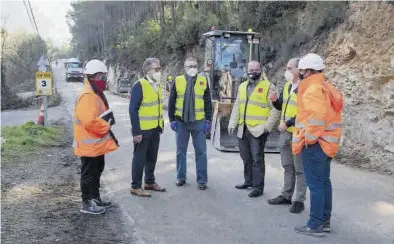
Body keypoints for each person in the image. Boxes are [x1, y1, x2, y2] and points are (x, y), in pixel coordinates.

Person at [292, 53, 343, 237]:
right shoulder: (326, 87)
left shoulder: (312, 88)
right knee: (323, 183)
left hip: (316, 145)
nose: (301, 74)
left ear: (309, 71)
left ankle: (315, 225)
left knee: (315, 185)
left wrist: (309, 139)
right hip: (327, 145)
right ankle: (324, 221)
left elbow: (317, 117)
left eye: (302, 71)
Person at [228, 61, 280, 198]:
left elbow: (275, 109)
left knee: (257, 158)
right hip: (243, 127)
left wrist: (267, 127)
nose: (254, 71)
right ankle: (248, 181)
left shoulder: (269, 87)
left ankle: (258, 187)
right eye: (251, 69)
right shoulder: (242, 86)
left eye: (257, 69)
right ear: (247, 70)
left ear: (261, 70)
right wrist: (232, 124)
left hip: (258, 130)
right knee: (246, 157)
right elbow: (237, 107)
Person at [73, 59, 119, 214]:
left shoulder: (94, 92)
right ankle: (87, 204)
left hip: (95, 145)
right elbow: (89, 121)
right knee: (89, 175)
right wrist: (106, 125)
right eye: (102, 76)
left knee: (96, 172)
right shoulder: (87, 94)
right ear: (93, 76)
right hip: (89, 145)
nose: (104, 80)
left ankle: (95, 199)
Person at [267, 58, 307, 214]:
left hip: (298, 133)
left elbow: (305, 113)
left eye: (290, 68)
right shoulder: (288, 86)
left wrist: (288, 123)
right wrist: (275, 101)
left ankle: (299, 200)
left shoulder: (305, 88)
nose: (287, 71)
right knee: (287, 166)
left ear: (299, 69)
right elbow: (282, 105)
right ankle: (286, 195)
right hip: (285, 133)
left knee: (300, 169)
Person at [168, 57, 212, 190]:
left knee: (201, 152)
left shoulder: (203, 81)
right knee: (180, 151)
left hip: (198, 122)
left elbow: (207, 102)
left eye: (194, 66)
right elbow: (172, 101)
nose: (192, 68)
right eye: (189, 66)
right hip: (181, 122)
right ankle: (180, 177)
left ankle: (202, 180)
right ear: (184, 68)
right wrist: (172, 120)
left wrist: (208, 120)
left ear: (197, 67)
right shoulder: (178, 80)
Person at [129, 58, 166, 197]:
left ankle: (149, 182)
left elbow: (157, 107)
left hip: (155, 128)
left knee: (152, 157)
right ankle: (135, 186)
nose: (159, 71)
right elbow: (133, 110)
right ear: (147, 70)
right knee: (139, 158)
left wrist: (160, 125)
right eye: (156, 69)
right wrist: (136, 132)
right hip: (143, 131)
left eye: (159, 68)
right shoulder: (139, 85)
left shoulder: (157, 85)